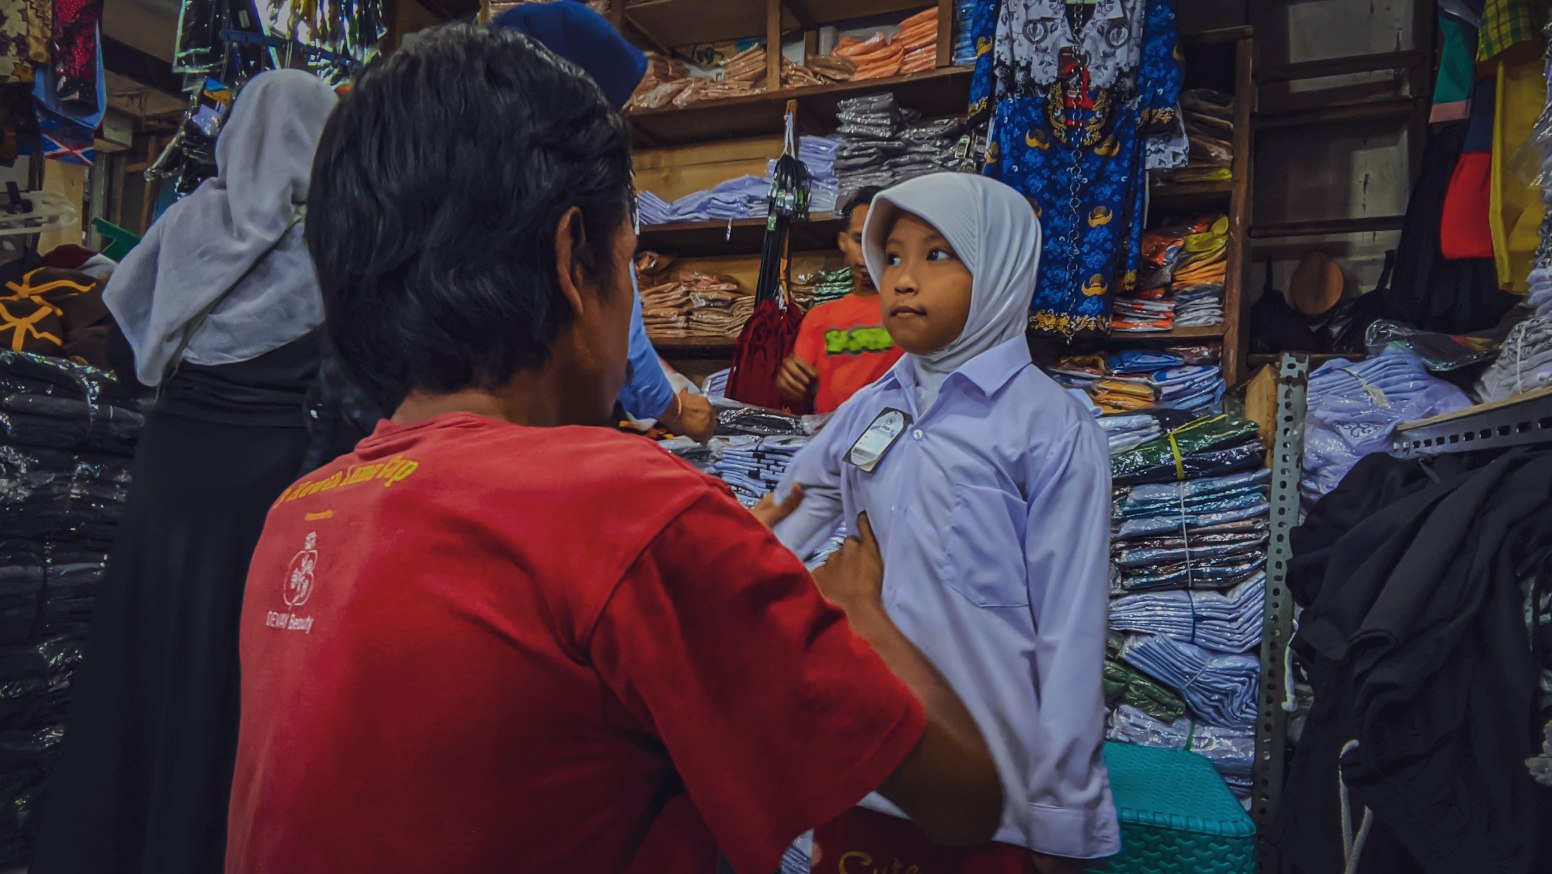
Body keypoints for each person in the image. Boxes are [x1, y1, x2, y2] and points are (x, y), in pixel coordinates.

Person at [224, 24, 1001, 874]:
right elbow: (963, 800)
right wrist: (859, 615)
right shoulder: (627, 508)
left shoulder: (300, 514)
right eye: (630, 259)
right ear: (572, 259)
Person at [31, 71, 341, 874]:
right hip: (267, 483)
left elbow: (130, 357)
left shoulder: (189, 222)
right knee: (222, 673)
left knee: (145, 656)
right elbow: (347, 380)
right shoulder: (337, 243)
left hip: (169, 469)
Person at [774, 173, 1119, 873]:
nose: (902, 280)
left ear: (998, 268)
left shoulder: (1049, 429)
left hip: (993, 786)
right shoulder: (869, 411)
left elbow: (1071, 629)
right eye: (892, 256)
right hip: (868, 769)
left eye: (937, 255)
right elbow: (792, 513)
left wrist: (1061, 812)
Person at [491, 0, 714, 443]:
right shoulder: (584, 198)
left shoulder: (478, 181)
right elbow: (616, 331)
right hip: (553, 434)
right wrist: (675, 411)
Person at [777, 186, 904, 412]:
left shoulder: (909, 310)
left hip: (894, 438)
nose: (865, 253)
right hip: (833, 438)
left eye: (877, 240)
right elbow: (797, 386)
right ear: (843, 242)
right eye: (859, 239)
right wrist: (789, 380)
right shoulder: (819, 318)